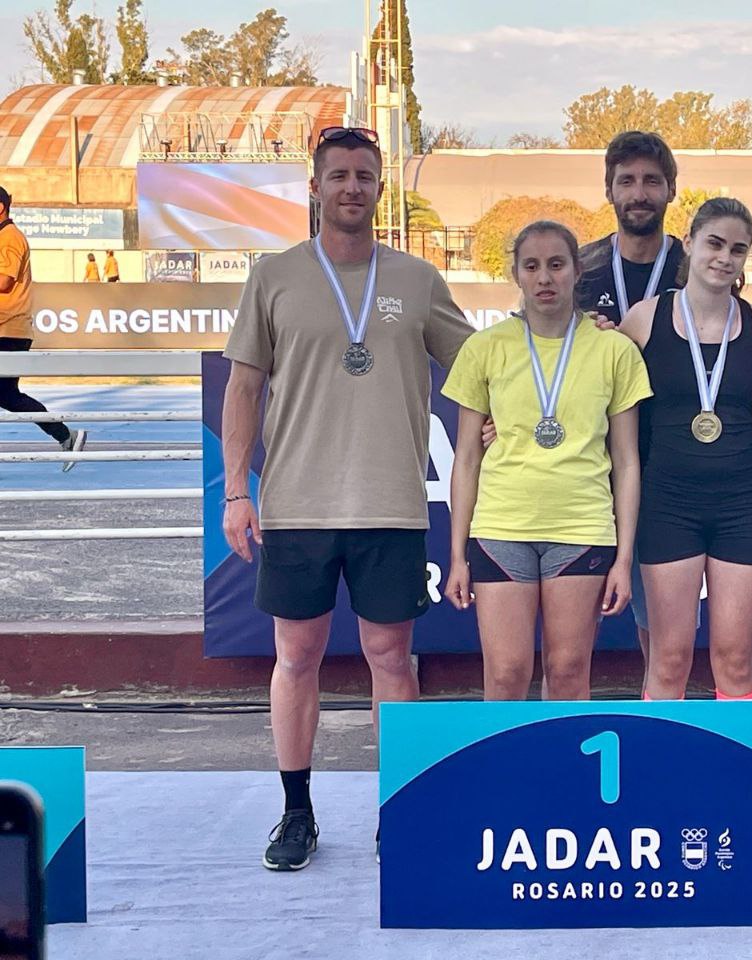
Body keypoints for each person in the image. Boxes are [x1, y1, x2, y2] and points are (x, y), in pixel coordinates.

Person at [220, 126, 474, 871]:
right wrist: (236, 491)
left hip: (390, 504)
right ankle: (296, 811)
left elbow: (481, 364)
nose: (352, 188)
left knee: (391, 657)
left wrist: (563, 342)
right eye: (338, 176)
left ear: (380, 189)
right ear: (315, 187)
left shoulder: (417, 279)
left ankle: (400, 808)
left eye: (365, 176)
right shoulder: (274, 276)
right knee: (296, 656)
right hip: (296, 503)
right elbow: (243, 387)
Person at [443, 221, 650, 700]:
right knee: (506, 674)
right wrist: (456, 555)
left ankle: (567, 757)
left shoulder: (613, 349)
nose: (544, 278)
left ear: (577, 270)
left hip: (581, 528)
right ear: (516, 274)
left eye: (556, 265)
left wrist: (623, 559)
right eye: (531, 266)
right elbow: (467, 458)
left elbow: (626, 461)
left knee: (568, 670)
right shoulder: (485, 348)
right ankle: (505, 756)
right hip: (501, 528)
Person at [615, 197, 752, 701]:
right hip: (668, 505)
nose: (724, 258)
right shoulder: (643, 319)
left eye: (738, 249)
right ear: (688, 242)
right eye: (714, 243)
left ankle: (737, 754)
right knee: (669, 657)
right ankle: (661, 755)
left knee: (735, 658)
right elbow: (597, 397)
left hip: (741, 505)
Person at [576, 131, 689, 677]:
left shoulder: (695, 266)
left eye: (651, 181)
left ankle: (656, 712)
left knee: (659, 626)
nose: (639, 193)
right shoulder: (578, 268)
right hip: (586, 461)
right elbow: (533, 350)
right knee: (569, 631)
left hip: (666, 458)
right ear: (609, 190)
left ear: (671, 190)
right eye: (626, 181)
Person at [0, 186, 87, 471]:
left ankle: (65, 434)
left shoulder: (9, 237)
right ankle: (65, 435)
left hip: (7, 329)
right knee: (8, 396)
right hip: (8, 329)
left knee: (8, 396)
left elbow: (4, 281)